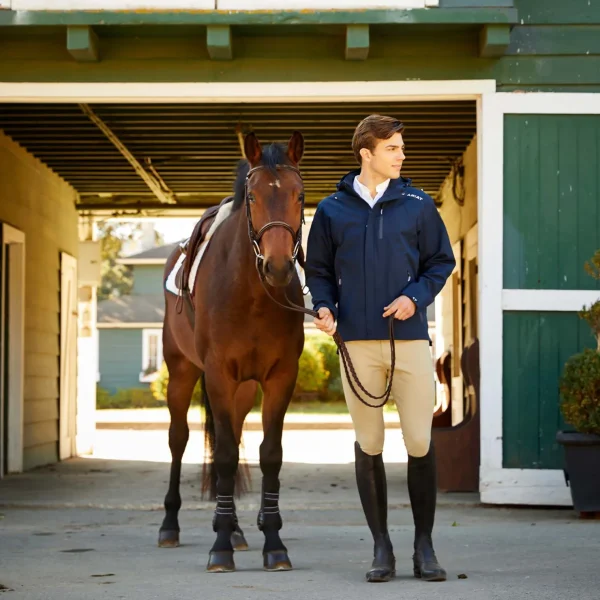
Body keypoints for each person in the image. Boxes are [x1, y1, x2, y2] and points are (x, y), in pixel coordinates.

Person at [305, 115, 455, 583]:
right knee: (369, 443)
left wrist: (415, 298)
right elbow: (319, 272)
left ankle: (424, 547)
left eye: (401, 147)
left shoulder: (417, 204)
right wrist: (325, 308)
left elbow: (440, 261)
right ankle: (382, 547)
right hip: (356, 344)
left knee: (419, 440)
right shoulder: (331, 210)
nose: (401, 155)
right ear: (366, 154)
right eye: (392, 148)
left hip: (409, 343)